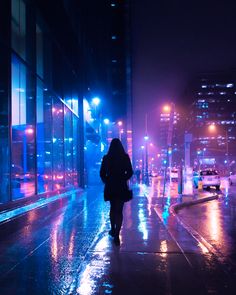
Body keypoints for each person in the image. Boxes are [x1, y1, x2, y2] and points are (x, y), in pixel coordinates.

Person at [100, 138, 133, 245]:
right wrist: (123, 178)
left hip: (110, 186)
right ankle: (117, 234)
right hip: (121, 186)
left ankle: (113, 229)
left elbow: (102, 173)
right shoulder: (125, 157)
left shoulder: (106, 158)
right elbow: (130, 172)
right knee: (119, 210)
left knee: (112, 208)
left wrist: (107, 180)